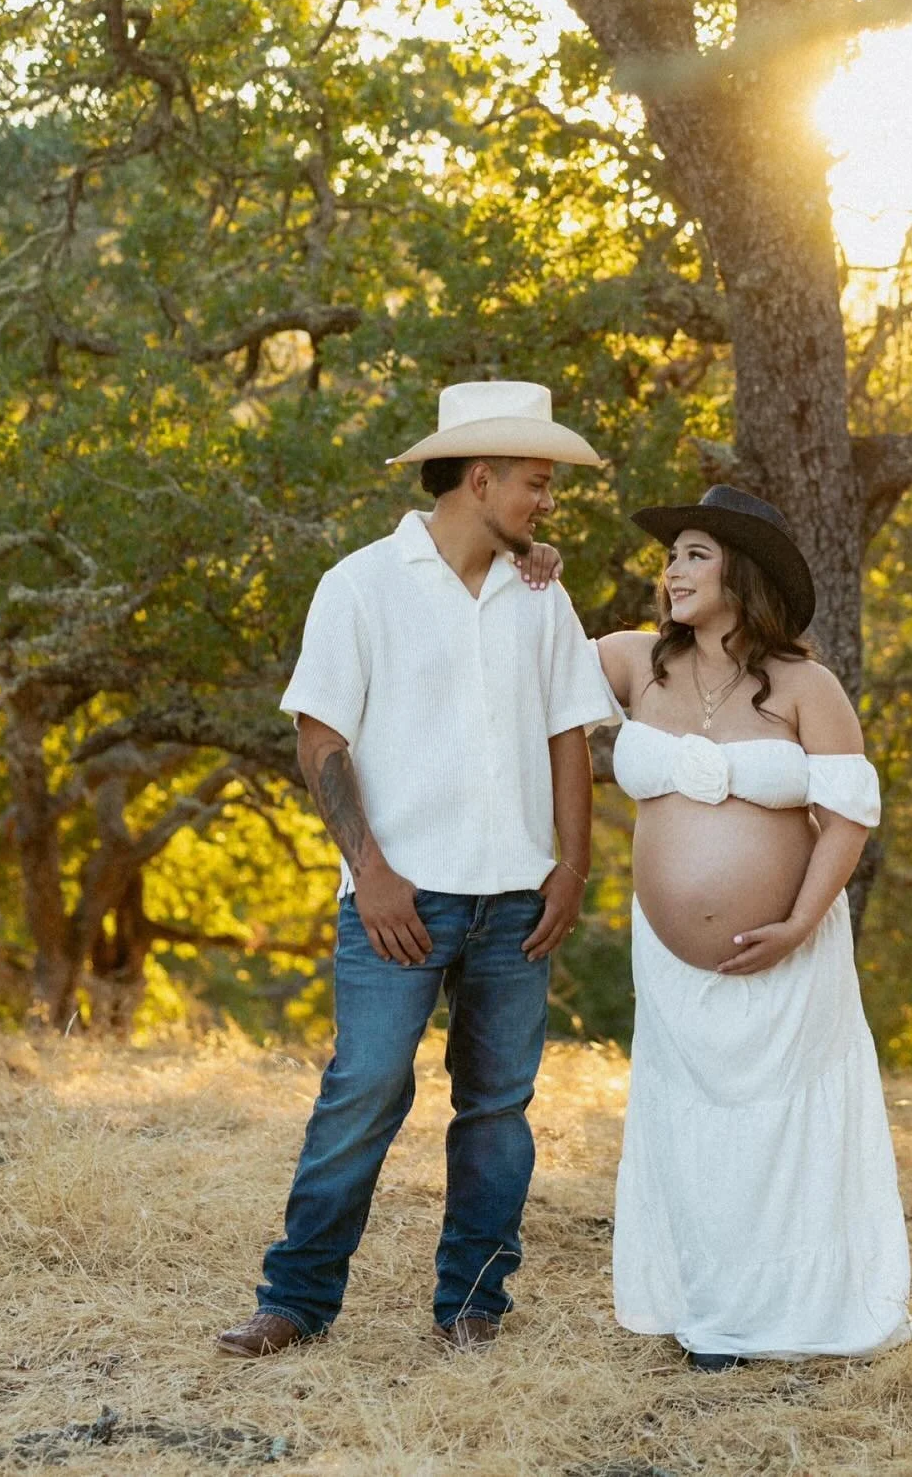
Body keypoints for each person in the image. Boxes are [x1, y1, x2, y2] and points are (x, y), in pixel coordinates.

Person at [216, 380, 615, 1358]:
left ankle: (473, 1306)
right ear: (480, 478)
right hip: (399, 897)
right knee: (365, 1088)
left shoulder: (542, 595)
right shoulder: (359, 583)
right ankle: (296, 1301)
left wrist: (573, 866)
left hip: (518, 900)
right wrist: (374, 870)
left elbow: (570, 733)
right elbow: (321, 743)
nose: (545, 500)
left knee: (496, 1108)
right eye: (534, 481)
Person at [596, 484, 912, 1370]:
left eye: (696, 553)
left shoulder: (807, 686)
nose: (672, 568)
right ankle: (710, 1314)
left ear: (743, 573)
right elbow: (528, 657)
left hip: (788, 961)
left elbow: (848, 814)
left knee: (781, 1133)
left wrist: (800, 924)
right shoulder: (634, 663)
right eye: (672, 555)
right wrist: (536, 572)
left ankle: (785, 1311)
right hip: (672, 968)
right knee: (693, 1130)